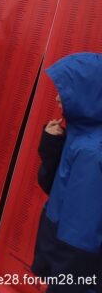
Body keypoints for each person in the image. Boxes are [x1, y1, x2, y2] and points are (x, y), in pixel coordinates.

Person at [32, 52, 102, 292]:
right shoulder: (79, 135)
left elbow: (82, 235)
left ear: (86, 93)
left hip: (74, 269)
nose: (56, 97)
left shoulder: (93, 154)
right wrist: (51, 148)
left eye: (65, 90)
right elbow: (54, 188)